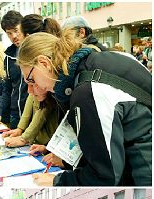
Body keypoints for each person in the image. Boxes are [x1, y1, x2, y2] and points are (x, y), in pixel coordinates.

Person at [18, 30, 152, 186]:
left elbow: (105, 176)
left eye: (31, 79)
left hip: (143, 179)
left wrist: (57, 181)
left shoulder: (88, 92)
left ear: (44, 63)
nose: (30, 89)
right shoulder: (111, 58)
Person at [2, 14, 61, 148]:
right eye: (9, 33)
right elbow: (32, 96)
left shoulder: (51, 77)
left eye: (18, 33)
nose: (15, 38)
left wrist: (24, 137)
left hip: (51, 138)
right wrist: (21, 129)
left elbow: (43, 107)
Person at [0, 10, 28, 129]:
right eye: (9, 33)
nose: (14, 36)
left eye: (16, 30)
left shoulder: (35, 51)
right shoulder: (9, 57)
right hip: (15, 116)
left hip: (34, 115)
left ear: (23, 27)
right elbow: (8, 89)